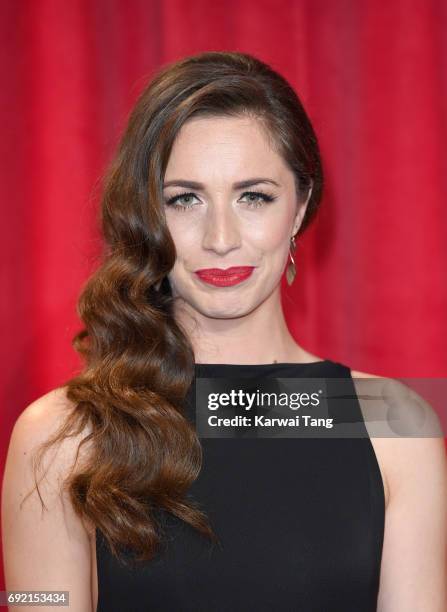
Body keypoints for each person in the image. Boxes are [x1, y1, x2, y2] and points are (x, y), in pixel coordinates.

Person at [2, 51, 446, 612]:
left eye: (253, 197)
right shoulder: (55, 436)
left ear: (300, 206)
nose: (220, 237)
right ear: (146, 214)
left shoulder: (396, 422)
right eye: (184, 199)